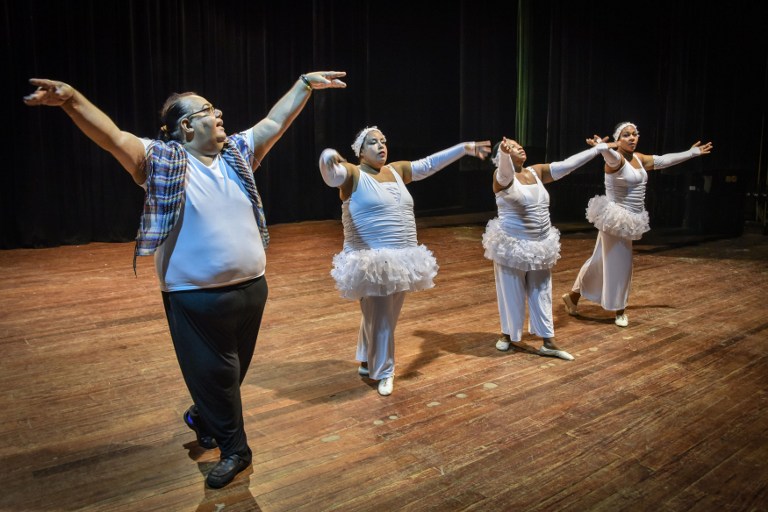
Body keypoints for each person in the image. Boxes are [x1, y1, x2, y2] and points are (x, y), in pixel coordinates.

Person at [23, 71, 347, 489]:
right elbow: (112, 137)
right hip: (194, 297)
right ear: (186, 126)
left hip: (252, 290)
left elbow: (273, 123)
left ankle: (202, 416)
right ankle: (236, 450)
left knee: (227, 377)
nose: (219, 114)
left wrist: (304, 84)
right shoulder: (159, 160)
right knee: (219, 375)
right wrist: (71, 100)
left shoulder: (237, 153)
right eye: (209, 110)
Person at [318, 127, 491, 396]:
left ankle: (366, 358)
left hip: (401, 256)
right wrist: (328, 156)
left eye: (384, 141)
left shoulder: (397, 170)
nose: (381, 146)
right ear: (360, 151)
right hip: (371, 259)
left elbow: (430, 164)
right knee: (383, 315)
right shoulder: (353, 173)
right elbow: (331, 176)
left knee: (377, 313)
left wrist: (464, 148)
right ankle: (383, 370)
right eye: (373, 142)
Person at [562, 122, 713, 327]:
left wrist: (691, 153)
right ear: (618, 139)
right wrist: (602, 147)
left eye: (635, 134)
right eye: (626, 135)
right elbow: (610, 156)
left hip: (630, 218)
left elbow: (663, 160)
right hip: (616, 218)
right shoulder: (616, 159)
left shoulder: (639, 158)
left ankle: (573, 297)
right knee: (622, 264)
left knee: (599, 260)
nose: (632, 138)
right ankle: (619, 310)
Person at [483, 136, 610, 361]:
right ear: (500, 156)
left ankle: (548, 341)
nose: (518, 146)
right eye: (511, 146)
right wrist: (503, 154)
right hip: (512, 244)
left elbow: (567, 165)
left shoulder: (535, 172)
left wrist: (597, 150)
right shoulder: (500, 177)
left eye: (517, 143)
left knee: (542, 291)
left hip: (540, 243)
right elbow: (504, 173)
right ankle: (507, 335)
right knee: (510, 291)